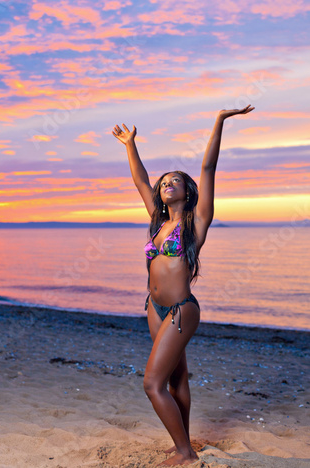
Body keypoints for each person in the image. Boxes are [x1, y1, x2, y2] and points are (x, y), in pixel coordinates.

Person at [112, 105, 254, 466]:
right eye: (163, 183)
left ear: (187, 191)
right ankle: (183, 444)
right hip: (154, 308)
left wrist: (219, 121)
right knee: (175, 380)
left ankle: (185, 453)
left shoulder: (196, 223)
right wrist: (130, 145)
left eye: (174, 181)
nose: (165, 185)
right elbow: (140, 181)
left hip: (180, 310)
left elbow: (207, 168)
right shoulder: (157, 222)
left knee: (151, 384)